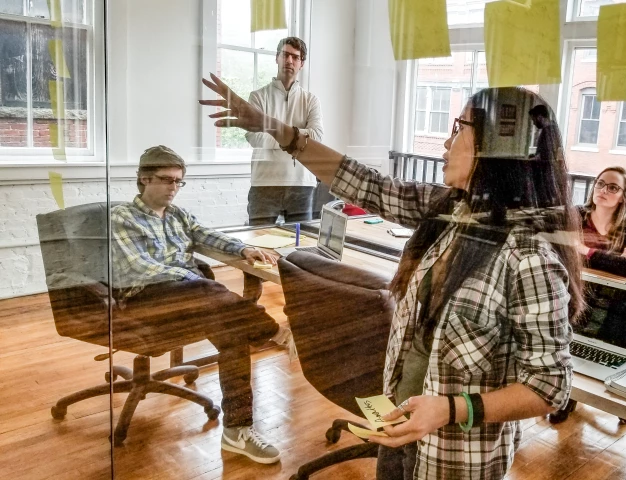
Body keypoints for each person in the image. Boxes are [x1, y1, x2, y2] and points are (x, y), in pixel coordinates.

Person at [201, 76, 584, 479]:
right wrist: (275, 128)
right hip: (398, 428)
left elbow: (549, 387)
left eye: (459, 129)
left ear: (496, 148)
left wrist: (450, 409)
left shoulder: (530, 258)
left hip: (453, 457)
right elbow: (365, 184)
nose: (446, 143)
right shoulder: (451, 210)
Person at [111, 145, 282, 464]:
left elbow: (207, 235)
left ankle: (237, 430)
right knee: (205, 286)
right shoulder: (123, 217)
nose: (174, 187)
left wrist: (243, 249)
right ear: (144, 179)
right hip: (144, 301)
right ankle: (274, 332)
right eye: (167, 180)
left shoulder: (177, 215)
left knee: (233, 334)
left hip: (189, 299)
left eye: (179, 181)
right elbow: (140, 268)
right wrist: (191, 278)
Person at [245, 36, 324, 226]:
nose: (289, 60)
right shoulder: (257, 97)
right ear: (277, 58)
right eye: (285, 55)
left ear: (301, 63)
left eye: (295, 57)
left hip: (301, 183)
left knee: (301, 241)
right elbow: (254, 137)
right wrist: (297, 139)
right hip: (264, 183)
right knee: (259, 240)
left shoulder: (311, 100)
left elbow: (316, 137)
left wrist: (273, 131)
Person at [575, 166, 626, 278]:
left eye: (613, 188)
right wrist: (615, 258)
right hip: (578, 281)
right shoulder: (577, 214)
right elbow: (564, 256)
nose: (603, 190)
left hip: (615, 287)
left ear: (623, 197)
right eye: (600, 183)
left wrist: (585, 250)